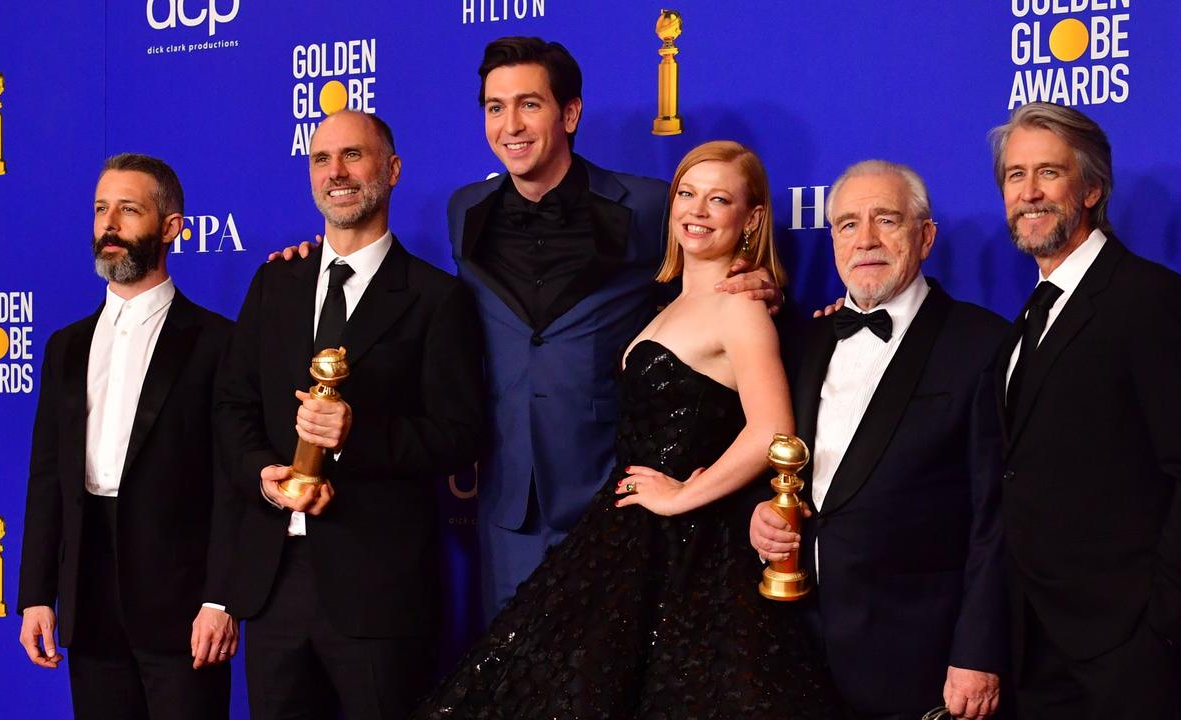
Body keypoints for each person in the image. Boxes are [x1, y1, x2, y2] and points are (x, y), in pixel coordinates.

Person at [416, 140, 842, 719]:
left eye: (719, 200)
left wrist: (682, 495)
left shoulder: (741, 307)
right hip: (622, 534)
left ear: (753, 219)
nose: (696, 211)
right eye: (686, 195)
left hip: (691, 553)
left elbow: (773, 431)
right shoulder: (664, 303)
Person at [447, 38, 782, 619]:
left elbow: (711, 282)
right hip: (508, 501)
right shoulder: (465, 212)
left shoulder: (650, 206)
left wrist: (762, 286)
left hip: (613, 489)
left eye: (529, 104)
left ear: (570, 114)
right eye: (495, 107)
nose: (510, 124)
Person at [215, 110, 485, 720]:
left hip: (379, 592)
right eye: (320, 159)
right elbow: (232, 405)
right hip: (273, 584)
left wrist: (357, 436)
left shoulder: (435, 298)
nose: (336, 172)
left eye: (353, 156)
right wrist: (261, 469)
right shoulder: (274, 283)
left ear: (391, 170)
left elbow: (459, 434)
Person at [988, 102, 1181, 718]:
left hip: (1123, 654)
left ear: (1092, 188)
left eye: (1050, 173)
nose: (1030, 192)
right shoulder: (1027, 318)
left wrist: (1161, 634)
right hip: (1032, 647)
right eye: (1016, 176)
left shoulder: (1151, 299)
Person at [749, 161, 1009, 720]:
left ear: (925, 237)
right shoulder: (801, 341)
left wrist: (978, 653)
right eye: (847, 224)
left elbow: (999, 518)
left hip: (920, 659)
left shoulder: (982, 344)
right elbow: (777, 469)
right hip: (795, 647)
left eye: (885, 220)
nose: (865, 239)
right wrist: (760, 517)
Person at [18, 153, 237, 719]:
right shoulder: (64, 347)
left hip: (183, 608)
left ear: (170, 229)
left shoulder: (218, 343)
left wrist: (220, 599)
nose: (109, 225)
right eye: (100, 209)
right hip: (88, 601)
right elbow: (47, 479)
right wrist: (37, 595)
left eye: (128, 210)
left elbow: (232, 485)